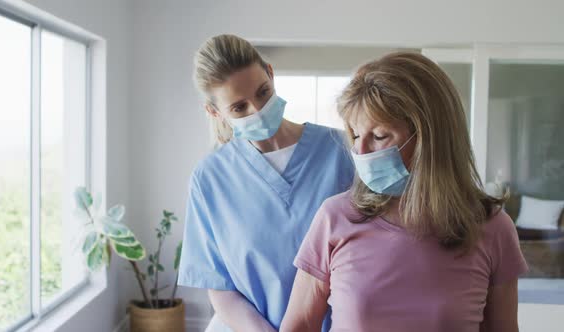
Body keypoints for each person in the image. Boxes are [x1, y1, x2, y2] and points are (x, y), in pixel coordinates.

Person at [281, 52, 528, 332]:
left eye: (379, 136)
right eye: (356, 135)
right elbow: (298, 325)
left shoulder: (492, 228)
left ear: (429, 138)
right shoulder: (335, 217)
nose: (360, 153)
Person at [177, 34, 355, 332]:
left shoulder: (341, 151)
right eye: (238, 107)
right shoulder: (210, 178)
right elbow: (218, 284)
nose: (256, 110)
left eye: (262, 92)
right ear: (214, 112)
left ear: (271, 74)